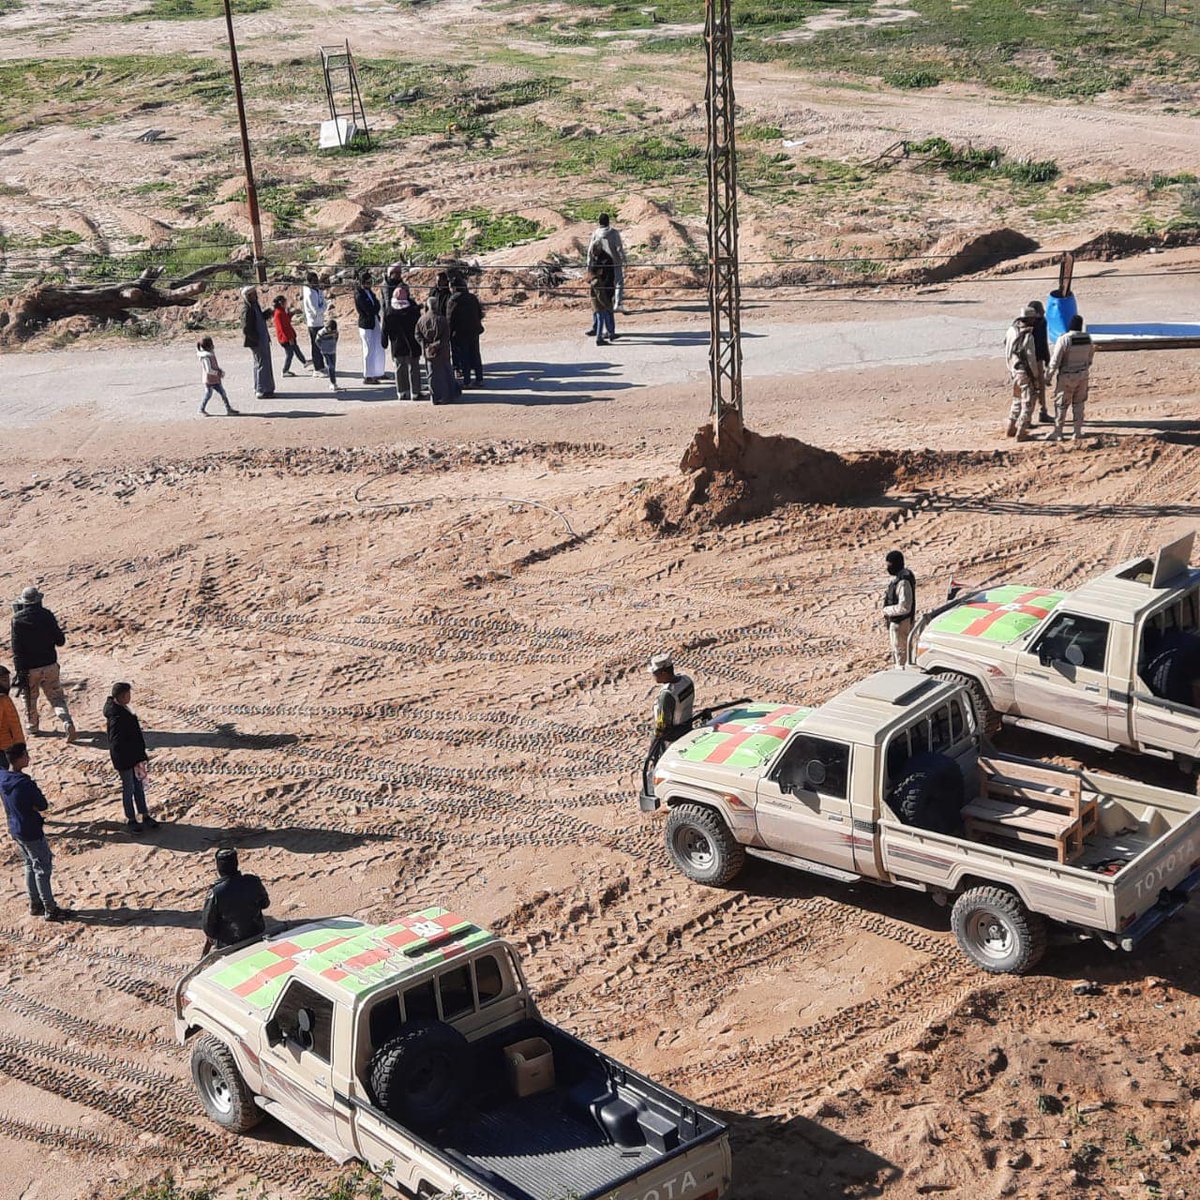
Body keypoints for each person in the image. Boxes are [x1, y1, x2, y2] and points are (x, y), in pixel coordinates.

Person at [1, 744, 62, 920]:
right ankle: (50, 908)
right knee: (43, 868)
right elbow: (42, 805)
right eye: (26, 755)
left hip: (15, 828)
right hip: (31, 831)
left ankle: (35, 904)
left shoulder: (3, 777)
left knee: (29, 864)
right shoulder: (25, 783)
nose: (29, 757)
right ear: (19, 758)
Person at [11, 586, 75, 743]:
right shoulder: (47, 615)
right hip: (50, 665)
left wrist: (19, 673)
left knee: (29, 699)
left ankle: (33, 726)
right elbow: (60, 641)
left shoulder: (17, 620)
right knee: (56, 697)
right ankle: (66, 721)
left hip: (29, 668)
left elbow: (17, 650)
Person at [104, 682, 159, 836]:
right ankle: (131, 819)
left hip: (135, 757)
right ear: (121, 697)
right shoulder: (116, 716)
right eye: (128, 694)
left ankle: (144, 814)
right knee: (129, 788)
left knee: (139, 786)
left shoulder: (122, 709)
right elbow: (116, 743)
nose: (130, 697)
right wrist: (127, 760)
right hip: (125, 760)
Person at [201, 848, 270, 955]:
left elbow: (208, 926)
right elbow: (265, 904)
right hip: (256, 933)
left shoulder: (216, 892)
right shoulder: (253, 881)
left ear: (219, 868)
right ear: (236, 863)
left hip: (229, 943)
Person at [1048, 314, 1096, 443]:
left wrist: (1048, 377)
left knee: (1061, 405)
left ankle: (1058, 432)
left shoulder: (1064, 339)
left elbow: (1055, 361)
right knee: (1079, 404)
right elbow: (1090, 358)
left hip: (1067, 376)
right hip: (1083, 375)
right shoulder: (1088, 338)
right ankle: (1077, 432)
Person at [1004, 305, 1039, 441]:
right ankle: (1021, 431)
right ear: (1030, 319)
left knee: (1016, 400)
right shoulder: (1028, 336)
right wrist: (1035, 377)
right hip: (1024, 373)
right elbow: (1031, 359)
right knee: (1028, 402)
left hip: (1013, 370)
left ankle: (1011, 426)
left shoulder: (1011, 330)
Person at [383, 283, 423, 401]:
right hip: (412, 343)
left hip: (397, 344)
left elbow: (385, 329)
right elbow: (419, 326)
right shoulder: (412, 309)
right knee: (414, 368)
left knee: (400, 368)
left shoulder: (389, 311)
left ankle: (402, 392)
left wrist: (384, 342)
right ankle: (415, 392)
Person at [416, 296, 457, 405]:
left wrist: (425, 345)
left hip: (428, 352)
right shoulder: (442, 319)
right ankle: (446, 397)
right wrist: (436, 345)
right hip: (442, 351)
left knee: (432, 375)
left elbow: (417, 335)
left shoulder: (421, 320)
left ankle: (434, 397)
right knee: (445, 373)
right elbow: (446, 337)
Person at [447, 278, 485, 388]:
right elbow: (480, 313)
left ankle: (467, 381)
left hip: (460, 333)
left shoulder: (453, 300)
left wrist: (448, 334)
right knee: (475, 354)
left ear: (454, 287)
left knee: (464, 357)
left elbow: (450, 319)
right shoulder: (472, 298)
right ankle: (479, 379)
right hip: (474, 331)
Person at [882, 550, 917, 668]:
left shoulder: (903, 582)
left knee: (900, 654)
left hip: (901, 624)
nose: (887, 568)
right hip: (903, 623)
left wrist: (886, 610)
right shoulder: (904, 576)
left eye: (889, 565)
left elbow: (905, 607)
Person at [240, 286, 275, 399]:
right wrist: (256, 339)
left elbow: (260, 318)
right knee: (261, 364)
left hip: (263, 339)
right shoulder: (247, 309)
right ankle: (261, 389)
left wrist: (268, 313)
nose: (256, 295)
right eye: (254, 294)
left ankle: (266, 388)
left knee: (264, 363)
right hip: (257, 341)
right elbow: (246, 329)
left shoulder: (255, 306)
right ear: (248, 296)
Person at [589, 213, 628, 312]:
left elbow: (591, 249)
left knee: (603, 283)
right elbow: (619, 248)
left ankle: (604, 304)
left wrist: (589, 263)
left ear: (599, 222)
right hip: (614, 261)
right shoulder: (614, 233)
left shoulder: (596, 233)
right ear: (608, 221)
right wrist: (624, 260)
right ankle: (617, 303)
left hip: (601, 263)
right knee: (618, 282)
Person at [354, 271, 387, 384]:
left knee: (379, 346)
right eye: (367, 282)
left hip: (374, 320)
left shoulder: (369, 292)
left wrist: (375, 309)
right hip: (366, 324)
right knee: (368, 349)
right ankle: (368, 376)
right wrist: (374, 309)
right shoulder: (359, 294)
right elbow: (367, 309)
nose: (370, 284)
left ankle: (378, 372)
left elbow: (377, 304)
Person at [196, 336, 237, 416]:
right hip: (209, 380)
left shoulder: (210, 355)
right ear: (208, 346)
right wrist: (218, 373)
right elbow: (209, 370)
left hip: (215, 379)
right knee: (208, 394)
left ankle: (229, 409)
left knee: (223, 393)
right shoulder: (206, 357)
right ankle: (201, 409)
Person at [1028, 299, 1052, 425]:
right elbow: (1043, 343)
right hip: (1035, 361)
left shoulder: (1022, 324)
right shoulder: (1040, 323)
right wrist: (1048, 360)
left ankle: (1030, 417)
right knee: (1037, 389)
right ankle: (1040, 413)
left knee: (1032, 390)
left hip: (1027, 362)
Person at [271, 295, 308, 376]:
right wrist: (289, 338)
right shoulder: (278, 313)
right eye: (285, 302)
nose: (286, 303)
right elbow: (282, 328)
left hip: (289, 336)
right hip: (285, 338)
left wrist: (291, 313)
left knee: (296, 348)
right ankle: (285, 370)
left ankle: (304, 362)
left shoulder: (282, 311)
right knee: (290, 353)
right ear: (281, 303)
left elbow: (287, 320)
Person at [302, 272, 327, 377]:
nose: (317, 283)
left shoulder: (318, 291)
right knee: (316, 346)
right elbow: (316, 310)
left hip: (320, 321)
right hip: (314, 323)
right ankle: (317, 369)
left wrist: (324, 307)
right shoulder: (309, 293)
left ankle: (321, 365)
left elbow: (324, 303)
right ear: (310, 282)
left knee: (320, 345)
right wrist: (323, 308)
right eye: (315, 281)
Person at [0, 666, 23, 770]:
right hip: (3, 749)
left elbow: (13, 723)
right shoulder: (1, 699)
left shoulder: (4, 697)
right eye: (4, 680)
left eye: (8, 679)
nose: (7, 683)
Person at [589, 261, 616, 347]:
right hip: (600, 305)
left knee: (600, 320)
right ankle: (599, 338)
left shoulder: (593, 280)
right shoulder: (597, 282)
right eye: (600, 269)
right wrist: (606, 304)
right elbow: (600, 296)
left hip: (596, 305)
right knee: (601, 321)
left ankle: (602, 336)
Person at [316, 319, 340, 393]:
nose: (332, 331)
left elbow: (336, 337)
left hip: (332, 351)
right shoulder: (321, 332)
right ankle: (333, 383)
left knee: (333, 366)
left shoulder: (335, 331)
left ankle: (333, 382)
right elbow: (317, 341)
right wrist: (322, 348)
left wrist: (334, 344)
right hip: (326, 352)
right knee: (330, 367)